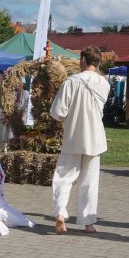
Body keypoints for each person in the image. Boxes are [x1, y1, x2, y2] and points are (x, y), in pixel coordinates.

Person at [49, 46, 109, 234]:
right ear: (98, 62)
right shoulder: (104, 83)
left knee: (64, 177)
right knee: (90, 181)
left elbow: (57, 112)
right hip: (95, 137)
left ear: (82, 59)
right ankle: (88, 223)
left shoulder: (71, 82)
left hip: (74, 135)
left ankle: (60, 214)